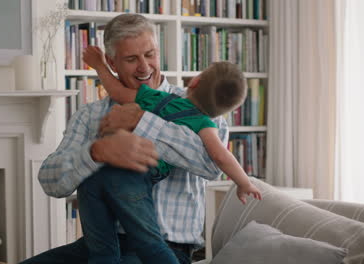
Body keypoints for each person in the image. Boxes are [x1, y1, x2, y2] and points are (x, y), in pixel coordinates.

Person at [21, 13, 229, 264]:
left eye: (150, 54)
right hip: (98, 246)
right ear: (111, 62)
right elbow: (50, 182)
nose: (144, 67)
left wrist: (142, 121)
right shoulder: (90, 115)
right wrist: (95, 152)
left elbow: (211, 165)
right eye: (131, 59)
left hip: (165, 250)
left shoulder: (197, 104)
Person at [80, 47, 262, 262]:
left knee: (94, 210)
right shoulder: (205, 124)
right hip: (134, 179)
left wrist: (100, 65)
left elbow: (116, 91)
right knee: (149, 243)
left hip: (106, 170)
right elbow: (220, 157)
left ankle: (105, 257)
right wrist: (244, 182)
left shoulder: (160, 98)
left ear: (193, 82)